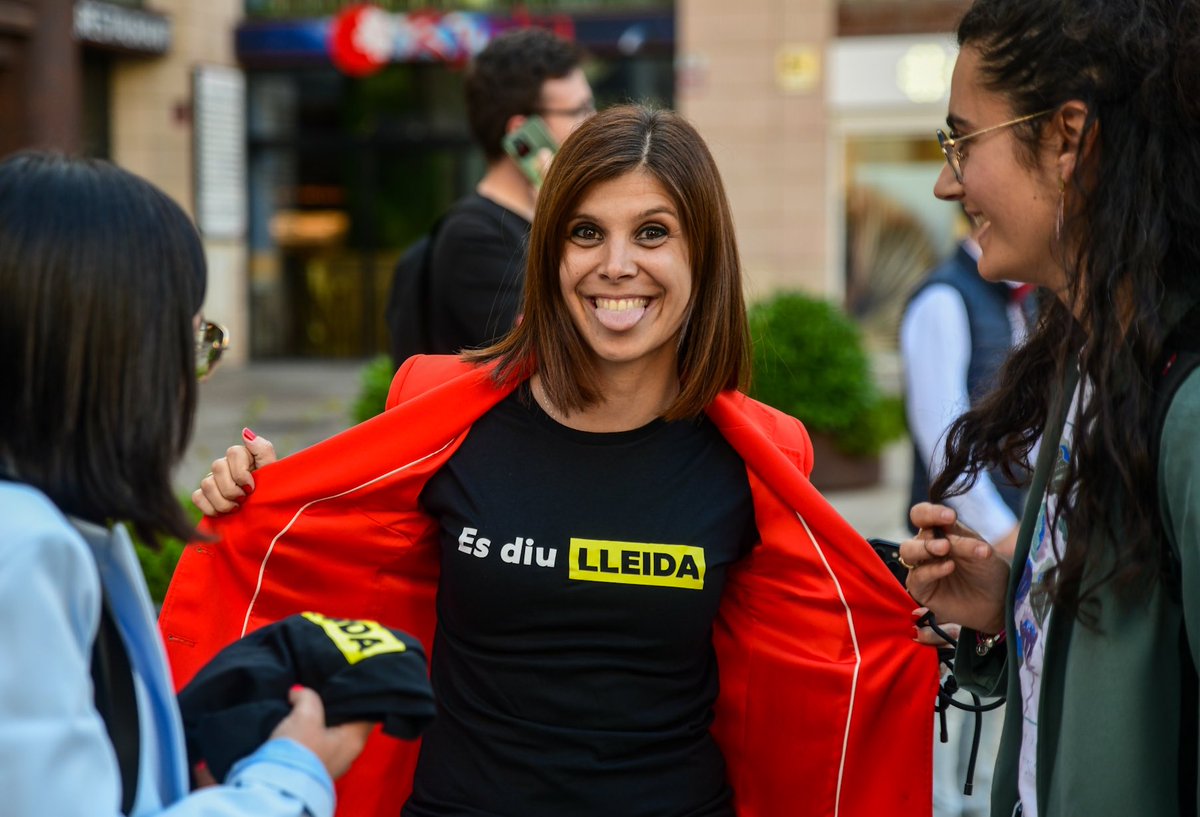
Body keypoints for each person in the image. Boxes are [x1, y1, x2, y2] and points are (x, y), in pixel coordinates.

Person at [171, 105, 937, 817]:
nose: (615, 265)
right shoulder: (437, 406)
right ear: (550, 253)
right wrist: (260, 494)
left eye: (652, 233)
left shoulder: (764, 452)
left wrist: (931, 600)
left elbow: (817, 639)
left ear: (702, 253)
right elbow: (336, 546)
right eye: (584, 233)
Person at [0, 153, 372, 817]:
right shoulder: (23, 550)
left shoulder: (61, 527)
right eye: (190, 340)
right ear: (118, 355)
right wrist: (292, 772)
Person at [899, 0, 1200, 815]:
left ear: (1068, 137)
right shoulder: (1087, 358)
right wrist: (1016, 600)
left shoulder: (1186, 400)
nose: (946, 179)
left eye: (963, 139)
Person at [902, 220, 1031, 817]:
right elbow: (940, 437)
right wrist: (1000, 529)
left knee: (996, 698)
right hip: (952, 544)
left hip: (1008, 536)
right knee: (942, 701)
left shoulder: (1021, 298)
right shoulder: (941, 298)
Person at [420, 27, 593, 356]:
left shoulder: (539, 220)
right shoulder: (473, 237)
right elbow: (548, 354)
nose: (593, 121)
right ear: (523, 134)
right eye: (578, 111)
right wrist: (555, 223)